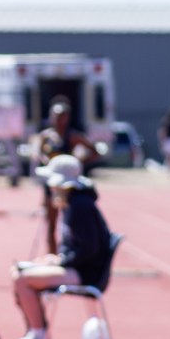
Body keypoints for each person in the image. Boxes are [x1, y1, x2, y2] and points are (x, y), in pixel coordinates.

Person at [5, 155, 112, 339]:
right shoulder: (73, 203)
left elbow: (88, 249)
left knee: (23, 280)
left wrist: (60, 261)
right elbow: (76, 247)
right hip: (77, 267)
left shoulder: (80, 206)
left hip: (86, 273)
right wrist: (55, 259)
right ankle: (35, 333)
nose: (50, 188)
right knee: (18, 272)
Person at [31, 97, 99, 255]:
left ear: (67, 117)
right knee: (51, 223)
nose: (58, 120)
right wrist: (47, 161)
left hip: (68, 185)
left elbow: (94, 151)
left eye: (62, 116)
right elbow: (36, 153)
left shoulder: (73, 136)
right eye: (55, 116)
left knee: (70, 221)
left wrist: (78, 162)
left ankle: (70, 253)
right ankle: (52, 255)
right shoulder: (46, 136)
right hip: (52, 183)